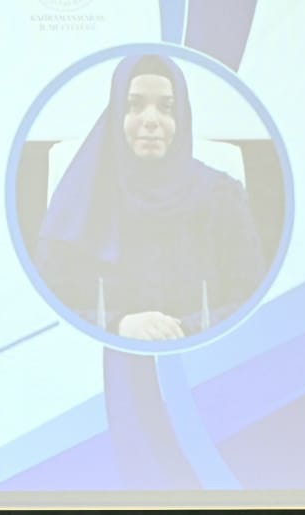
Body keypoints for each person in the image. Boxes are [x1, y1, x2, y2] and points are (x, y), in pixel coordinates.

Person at [34, 53, 265, 342]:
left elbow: (253, 298)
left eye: (167, 108)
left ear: (182, 117)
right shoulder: (80, 195)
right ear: (116, 114)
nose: (151, 120)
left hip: (202, 355)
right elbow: (45, 305)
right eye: (134, 105)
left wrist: (184, 329)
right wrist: (116, 325)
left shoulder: (223, 196)